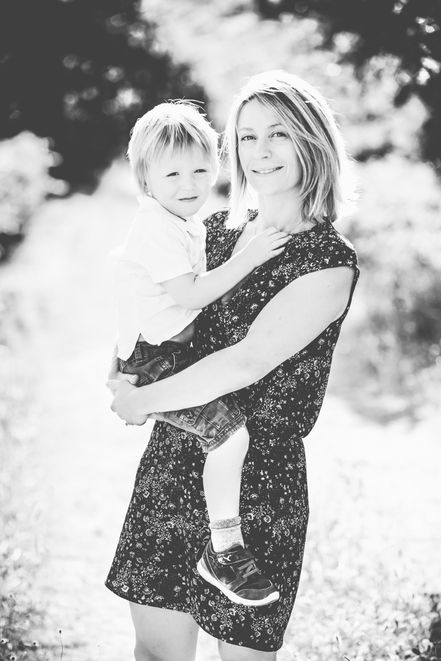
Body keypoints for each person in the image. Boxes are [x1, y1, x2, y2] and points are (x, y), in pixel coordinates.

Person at [106, 70, 359, 661]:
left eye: (278, 134)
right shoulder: (213, 232)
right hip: (176, 459)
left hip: (259, 486)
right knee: (157, 653)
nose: (260, 150)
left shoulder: (327, 260)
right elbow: (150, 298)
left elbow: (246, 361)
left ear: (312, 140)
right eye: (247, 137)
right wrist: (119, 368)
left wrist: (142, 400)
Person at [113, 101, 289, 606]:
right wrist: (249, 257)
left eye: (200, 170)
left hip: (164, 352)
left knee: (220, 438)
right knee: (230, 437)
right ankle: (224, 550)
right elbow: (191, 294)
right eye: (172, 174)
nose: (189, 184)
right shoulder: (156, 227)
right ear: (145, 181)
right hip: (159, 359)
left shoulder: (182, 221)